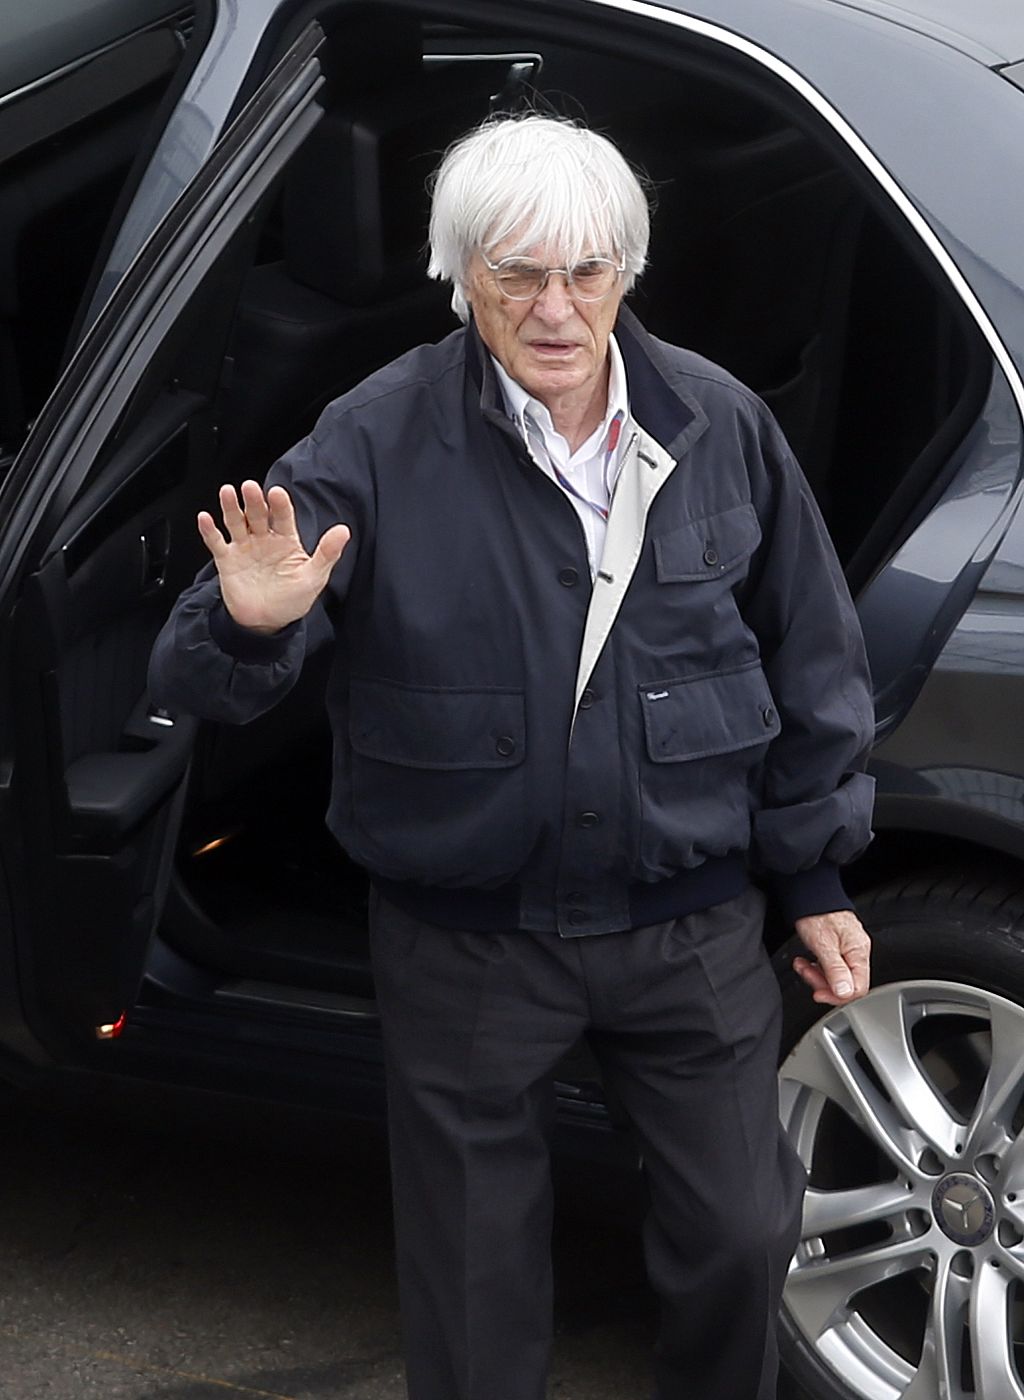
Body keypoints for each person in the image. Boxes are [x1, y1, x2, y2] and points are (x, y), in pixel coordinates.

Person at [149, 113, 874, 1400]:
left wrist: (812, 882)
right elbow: (198, 666)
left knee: (743, 1235)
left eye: (583, 272)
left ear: (625, 273)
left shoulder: (719, 422)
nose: (553, 308)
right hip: (464, 938)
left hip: (688, 928)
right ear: (460, 275)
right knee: (474, 1291)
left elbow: (811, 657)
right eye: (515, 275)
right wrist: (254, 626)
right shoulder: (371, 434)